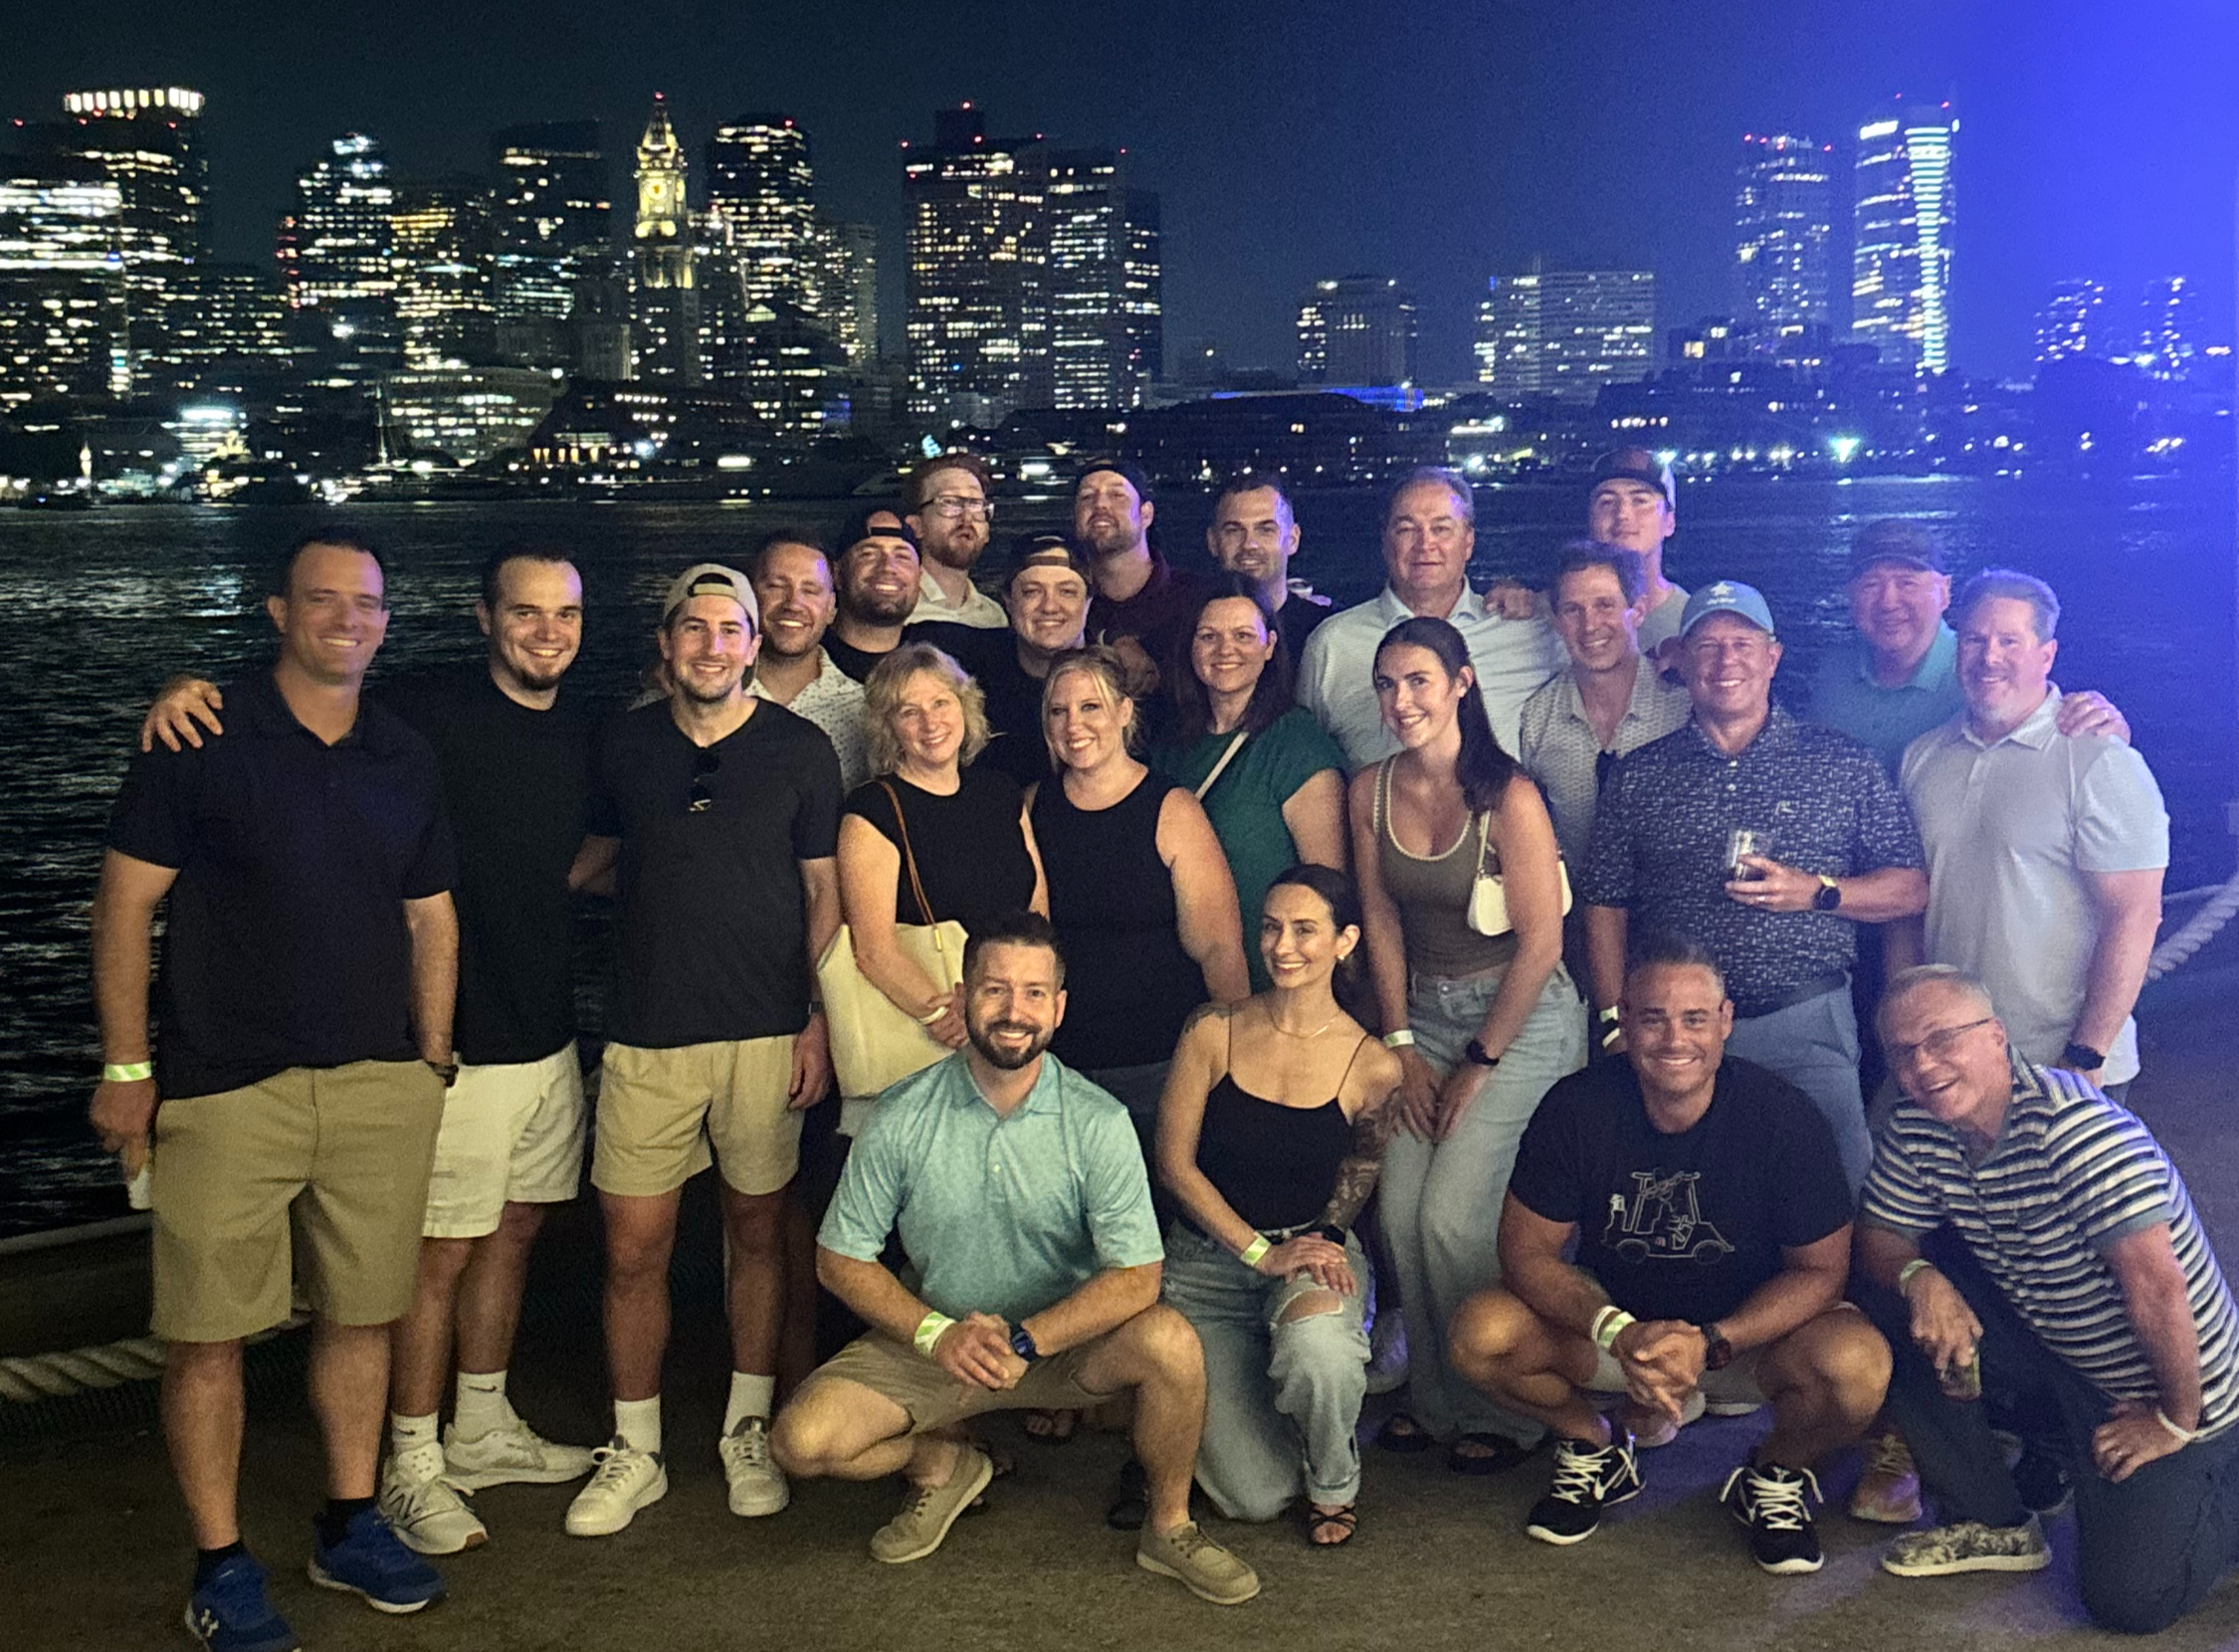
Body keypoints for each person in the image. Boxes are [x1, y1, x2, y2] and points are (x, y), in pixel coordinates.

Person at [136, 544, 605, 1557]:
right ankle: (412, 1461)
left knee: (510, 1230)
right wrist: (186, 687)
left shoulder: (581, 725)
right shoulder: (422, 713)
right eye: (524, 612)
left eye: (563, 614)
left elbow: (591, 844)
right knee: (426, 1262)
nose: (545, 630)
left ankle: (479, 1425)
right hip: (432, 1050)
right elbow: (311, 684)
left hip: (536, 1030)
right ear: (481, 618)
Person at [91, 526, 458, 1644]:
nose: (348, 619)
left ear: (388, 619)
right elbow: (124, 907)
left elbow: (430, 913)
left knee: (363, 1313)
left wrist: (431, 1057)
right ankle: (220, 1560)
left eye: (368, 603)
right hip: (223, 1081)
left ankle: (348, 1520)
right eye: (324, 600)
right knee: (208, 1334)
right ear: (277, 612)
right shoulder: (199, 736)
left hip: (374, 1081)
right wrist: (126, 1068)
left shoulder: (403, 752)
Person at [767, 913, 1262, 1606]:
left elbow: (1138, 1276)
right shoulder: (902, 1114)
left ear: (1059, 1008)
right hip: (941, 1341)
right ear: (965, 994)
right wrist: (938, 1336)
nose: (1013, 1011)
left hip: (1061, 1346)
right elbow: (839, 1258)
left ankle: (1169, 1526)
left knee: (1172, 1343)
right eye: (995, 989)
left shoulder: (1098, 1122)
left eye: (1034, 994)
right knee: (801, 1441)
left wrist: (1028, 1341)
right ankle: (943, 1463)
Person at [1448, 937, 1890, 1573]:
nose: (1673, 1038)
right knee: (1480, 1334)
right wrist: (1619, 1331)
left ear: (1726, 1021)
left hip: (1745, 1340)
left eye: (1694, 1018)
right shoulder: (1576, 1107)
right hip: (1619, 1333)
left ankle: (1775, 1473)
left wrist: (1713, 1341)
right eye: (1652, 1018)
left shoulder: (1783, 1118)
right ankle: (1595, 1445)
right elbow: (1524, 1254)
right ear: (1623, 1020)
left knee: (1857, 1367)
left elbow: (1822, 1271)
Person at [564, 563, 842, 1538]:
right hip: (645, 1036)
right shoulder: (624, 744)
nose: (713, 645)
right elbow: (590, 862)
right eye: (695, 628)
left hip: (766, 1033)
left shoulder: (803, 752)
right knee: (633, 1248)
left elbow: (824, 896)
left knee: (758, 1236)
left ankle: (747, 1427)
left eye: (732, 629)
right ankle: (635, 1447)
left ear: (755, 643)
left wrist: (816, 1016)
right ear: (666, 642)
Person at [1860, 965, 2239, 1633]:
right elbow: (1882, 1235)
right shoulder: (1917, 1122)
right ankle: (1993, 1517)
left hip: (2171, 1378)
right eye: (1903, 1050)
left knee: (2131, 1601)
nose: (1923, 1064)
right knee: (1890, 1300)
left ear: (1997, 1038)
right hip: (2060, 1342)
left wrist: (2176, 1419)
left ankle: (2214, 1462)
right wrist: (1922, 1279)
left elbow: (2158, 1290)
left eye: (1943, 1038)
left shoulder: (2078, 1132)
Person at [1581, 580, 1926, 1191]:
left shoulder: (1841, 762)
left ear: (1773, 656)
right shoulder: (1639, 774)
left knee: (1834, 1188)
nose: (1725, 661)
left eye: (1742, 643)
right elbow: (1606, 903)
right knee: (1687, 1196)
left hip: (1805, 1018)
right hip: (1675, 1032)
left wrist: (1818, 891)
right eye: (1707, 646)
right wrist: (1615, 1022)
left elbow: (1909, 888)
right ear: (1682, 662)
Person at [1347, 616, 1587, 1469]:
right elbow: (1378, 915)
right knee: (1405, 1214)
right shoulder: (1369, 789)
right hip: (1424, 1016)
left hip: (1518, 1019)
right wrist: (1403, 1043)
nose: (1400, 701)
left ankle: (1512, 1408)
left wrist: (1480, 1062)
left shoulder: (1509, 796)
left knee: (1455, 1220)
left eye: (1418, 680)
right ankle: (1437, 1402)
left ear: (1461, 682)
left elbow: (1544, 946)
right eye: (1386, 684)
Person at [1155, 867, 1401, 1545]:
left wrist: (1318, 1241)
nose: (1282, 945)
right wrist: (1258, 1252)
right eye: (1270, 927)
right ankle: (1269, 1414)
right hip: (1206, 1263)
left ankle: (1333, 1477)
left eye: (1304, 929)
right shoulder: (1212, 1029)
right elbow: (1174, 1165)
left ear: (1345, 941)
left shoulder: (1373, 1064)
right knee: (1253, 1498)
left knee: (1317, 1350)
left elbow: (1358, 1173)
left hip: (1306, 1246)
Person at [1895, 571, 2167, 1099]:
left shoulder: (2099, 761)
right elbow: (1910, 904)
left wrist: (2088, 1053)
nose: (1988, 656)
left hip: (2062, 1060)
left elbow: (2135, 914)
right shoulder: (1922, 758)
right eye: (1974, 639)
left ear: (2046, 654)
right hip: (1944, 1061)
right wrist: (1907, 1032)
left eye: (2009, 641)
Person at [836, 643, 1047, 1134]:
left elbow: (1036, 904)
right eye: (909, 711)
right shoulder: (871, 810)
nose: (930, 722)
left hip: (1011, 1025)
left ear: (964, 708)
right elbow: (871, 946)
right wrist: (944, 1013)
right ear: (889, 728)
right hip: (926, 1033)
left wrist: (1025, 999)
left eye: (940, 703)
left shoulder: (1000, 792)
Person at [1809, 520, 2129, 775]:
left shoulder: (1984, 673)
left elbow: (2054, 721)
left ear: (1944, 592)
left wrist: (2109, 731)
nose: (1888, 602)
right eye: (1871, 585)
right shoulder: (1832, 671)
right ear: (1849, 597)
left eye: (1907, 583)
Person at [1153, 576, 1347, 992]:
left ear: (1270, 646)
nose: (1226, 650)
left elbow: (1328, 892)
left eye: (1244, 635)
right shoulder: (1169, 747)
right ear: (1190, 647)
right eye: (1209, 636)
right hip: (1176, 988)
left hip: (1273, 985)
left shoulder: (1298, 746)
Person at [1298, 468, 1565, 767]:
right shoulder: (1332, 644)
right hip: (1372, 811)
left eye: (1441, 528)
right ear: (1385, 542)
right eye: (1407, 529)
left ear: (1468, 542)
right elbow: (1303, 761)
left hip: (1501, 810)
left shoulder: (1525, 632)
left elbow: (1601, 658)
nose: (1425, 544)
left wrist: (1542, 602)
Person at [1515, 541, 1691, 885]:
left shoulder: (1682, 707)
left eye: (1605, 605)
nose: (1590, 625)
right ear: (1555, 621)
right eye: (1572, 610)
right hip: (1578, 914)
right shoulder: (1537, 720)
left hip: (1673, 918)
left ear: (1637, 611)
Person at [746, 529, 873, 792]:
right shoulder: (706, 692)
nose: (793, 603)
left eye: (810, 590)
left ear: (831, 609)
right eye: (776, 586)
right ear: (748, 598)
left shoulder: (864, 712)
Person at [1076, 459, 1210, 705]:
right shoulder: (1068, 603)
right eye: (1087, 497)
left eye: (1117, 495)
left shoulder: (1195, 598)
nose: (1100, 504)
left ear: (1146, 514)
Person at [974, 535, 1095, 788]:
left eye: (1067, 592)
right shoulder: (975, 676)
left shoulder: (1119, 681)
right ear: (1008, 601)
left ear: (1088, 602)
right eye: (1032, 592)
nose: (1049, 606)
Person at [823, 509, 994, 685]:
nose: (888, 567)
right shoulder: (807, 656)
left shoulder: (947, 651)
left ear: (919, 576)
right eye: (869, 554)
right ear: (836, 573)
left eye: (902, 556)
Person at [1206, 470, 1332, 661]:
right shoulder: (1189, 629)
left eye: (1265, 530)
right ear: (1213, 542)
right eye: (1234, 530)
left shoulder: (1328, 630)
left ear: (1292, 539)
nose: (1249, 544)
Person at [1582, 448, 1688, 653]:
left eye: (1640, 500)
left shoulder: (1693, 623)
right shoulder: (1558, 616)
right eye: (1607, 502)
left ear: (1669, 522)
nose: (1622, 514)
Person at [905, 451, 1008, 629]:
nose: (967, 517)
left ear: (987, 532)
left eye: (976, 504)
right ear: (916, 526)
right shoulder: (899, 611)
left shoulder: (993, 617)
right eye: (950, 503)